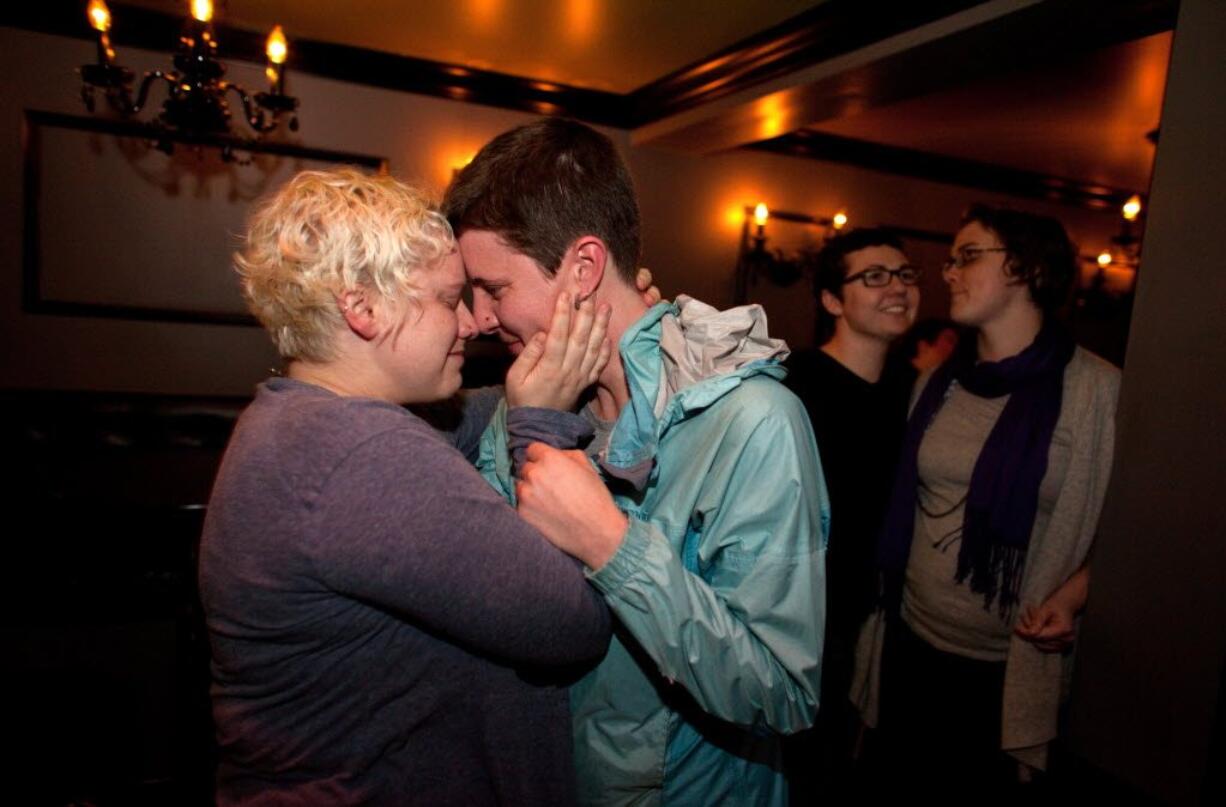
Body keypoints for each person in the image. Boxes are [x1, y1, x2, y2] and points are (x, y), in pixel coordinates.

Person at [198, 167, 630, 806]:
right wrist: (542, 423)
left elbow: (461, 424)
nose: (470, 324)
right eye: (448, 298)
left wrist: (563, 361)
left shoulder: (304, 420)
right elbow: (571, 626)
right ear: (363, 308)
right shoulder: (358, 457)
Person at [443, 118, 828, 807]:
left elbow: (783, 691)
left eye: (494, 288)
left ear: (584, 268)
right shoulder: (530, 396)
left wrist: (612, 545)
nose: (476, 318)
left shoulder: (753, 422)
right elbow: (493, 599)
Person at [852, 204, 1120, 791]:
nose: (948, 273)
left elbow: (1133, 532)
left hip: (1006, 668)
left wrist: (1076, 595)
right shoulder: (938, 381)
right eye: (949, 261)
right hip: (910, 644)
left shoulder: (1096, 391)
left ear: (1024, 268)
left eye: (967, 257)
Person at [782, 228, 919, 794]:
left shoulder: (920, 391)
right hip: (800, 611)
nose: (898, 288)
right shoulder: (792, 384)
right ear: (833, 301)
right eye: (875, 276)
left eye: (907, 275)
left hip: (883, 611)